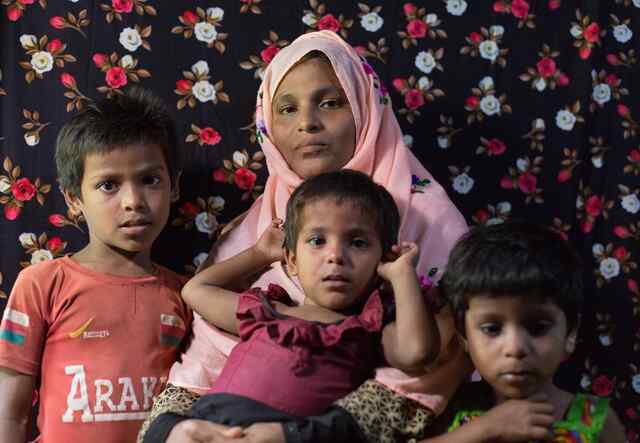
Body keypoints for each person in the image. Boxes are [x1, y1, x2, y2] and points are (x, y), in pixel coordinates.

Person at [139, 30, 470, 443]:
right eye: (287, 109)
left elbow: (428, 362)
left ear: (366, 106)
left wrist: (299, 435)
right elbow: (201, 364)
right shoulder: (254, 231)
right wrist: (169, 431)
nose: (307, 124)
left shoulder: (428, 220)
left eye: (329, 103)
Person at [0, 87, 192, 443]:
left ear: (174, 187)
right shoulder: (42, 284)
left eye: (150, 180)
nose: (133, 201)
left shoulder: (187, 294)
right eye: (108, 185)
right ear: (74, 198)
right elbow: (10, 409)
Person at [180, 169, 440, 429]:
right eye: (318, 240)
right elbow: (196, 290)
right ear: (292, 261)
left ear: (383, 260)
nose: (335, 256)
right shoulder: (266, 312)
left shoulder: (366, 330)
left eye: (358, 243)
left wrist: (402, 275)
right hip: (211, 422)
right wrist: (259, 254)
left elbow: (417, 353)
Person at [420, 221, 626, 443]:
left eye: (538, 328)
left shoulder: (594, 419)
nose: (515, 347)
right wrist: (485, 429)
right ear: (464, 336)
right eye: (492, 329)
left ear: (570, 334)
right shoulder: (452, 406)